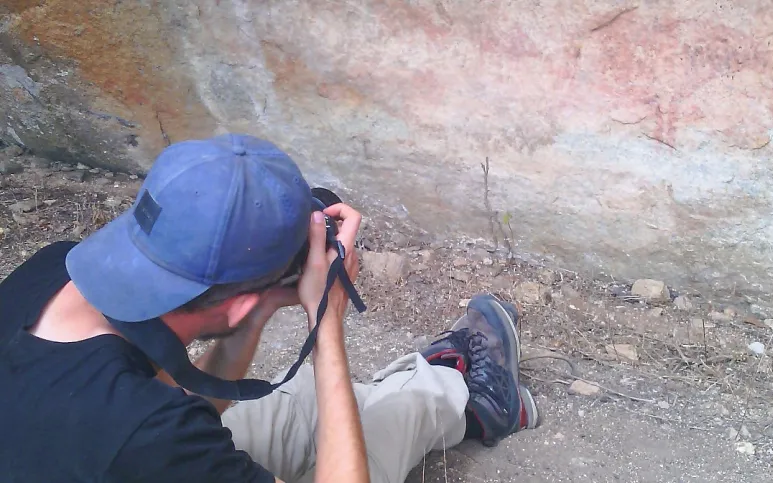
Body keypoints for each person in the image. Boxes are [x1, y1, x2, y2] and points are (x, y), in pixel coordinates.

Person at [0, 133, 540, 483]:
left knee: (299, 400)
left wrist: (253, 312)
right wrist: (326, 326)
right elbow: (155, 428)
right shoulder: (144, 436)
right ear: (234, 304)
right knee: (377, 429)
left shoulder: (55, 271)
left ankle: (434, 386)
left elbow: (180, 409)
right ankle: (466, 399)